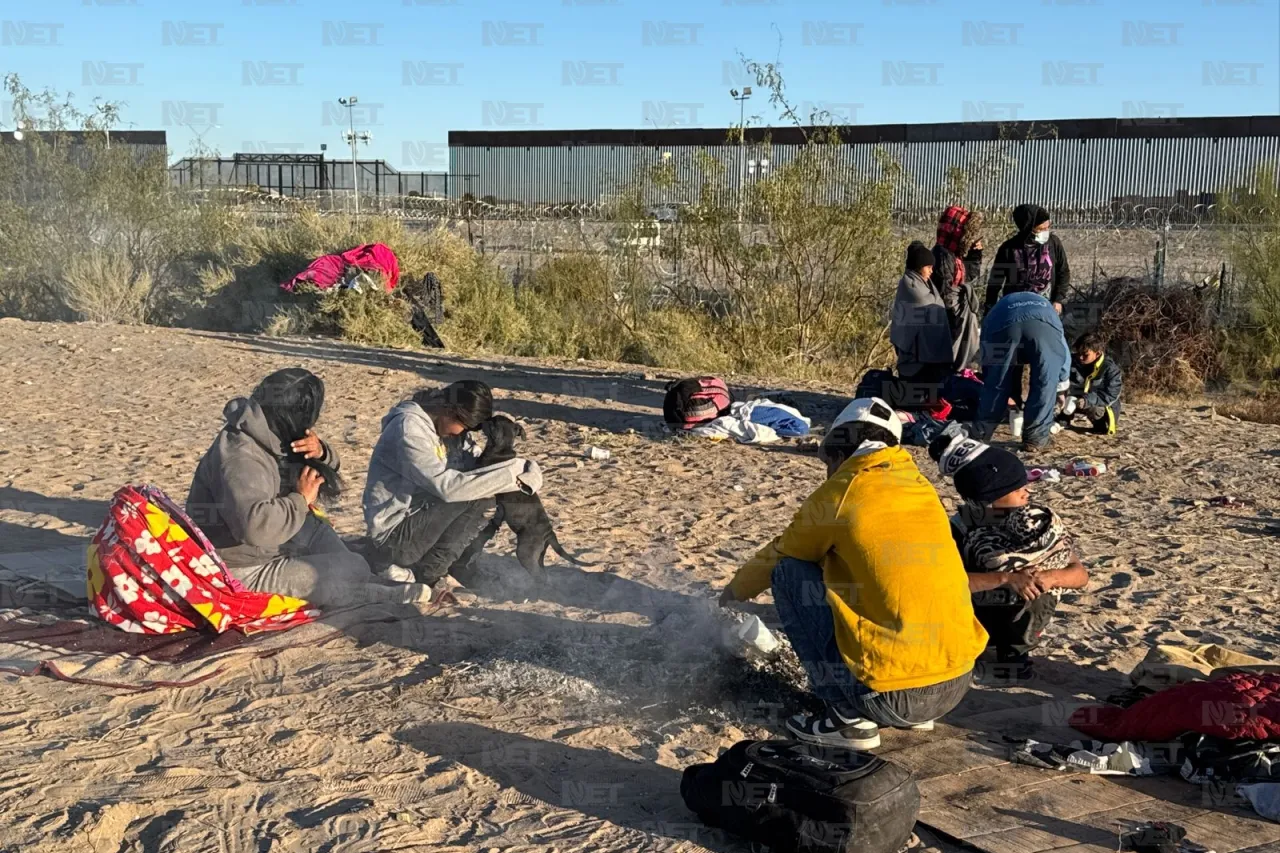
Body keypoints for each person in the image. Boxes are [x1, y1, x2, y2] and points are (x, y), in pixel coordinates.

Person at [718, 398, 988, 750]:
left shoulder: (843, 491)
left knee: (787, 573)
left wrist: (732, 593)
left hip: (890, 699)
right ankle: (911, 711)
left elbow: (780, 554)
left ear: (840, 446)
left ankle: (848, 721)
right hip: (954, 685)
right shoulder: (921, 488)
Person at [186, 368, 429, 608]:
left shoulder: (270, 428)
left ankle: (367, 586)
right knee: (346, 571)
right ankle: (373, 594)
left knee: (352, 564)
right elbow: (253, 527)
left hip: (272, 543)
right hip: (241, 568)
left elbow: (321, 472)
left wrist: (321, 452)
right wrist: (300, 500)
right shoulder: (241, 457)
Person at [931, 430, 1089, 679]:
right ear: (989, 500)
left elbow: (1080, 575)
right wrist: (1007, 578)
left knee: (1037, 589)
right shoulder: (958, 529)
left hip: (1016, 616)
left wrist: (1050, 577)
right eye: (1017, 490)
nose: (1027, 494)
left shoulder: (1035, 526)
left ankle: (1014, 649)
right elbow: (946, 584)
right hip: (970, 615)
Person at [363, 380, 543, 588]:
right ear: (447, 410)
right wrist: (513, 473)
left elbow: (477, 468)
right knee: (477, 495)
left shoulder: (448, 429)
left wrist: (522, 470)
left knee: (496, 492)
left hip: (423, 524)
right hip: (394, 537)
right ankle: (430, 573)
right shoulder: (408, 430)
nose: (462, 434)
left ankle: (460, 565)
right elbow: (447, 488)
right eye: (463, 427)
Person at [973, 291, 1071, 452]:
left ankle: (981, 434)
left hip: (1002, 323)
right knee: (1044, 381)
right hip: (1043, 324)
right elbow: (1062, 355)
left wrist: (993, 377)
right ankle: (1036, 438)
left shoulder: (996, 310)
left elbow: (989, 362)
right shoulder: (1049, 311)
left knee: (996, 381)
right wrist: (1061, 386)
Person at [888, 241, 953, 411]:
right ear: (918, 266)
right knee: (915, 400)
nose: (931, 270)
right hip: (916, 354)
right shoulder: (910, 285)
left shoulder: (923, 283)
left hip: (927, 354)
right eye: (928, 267)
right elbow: (927, 303)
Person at [984, 204, 1071, 315]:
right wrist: (990, 308)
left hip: (1046, 308)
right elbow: (995, 282)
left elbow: (1063, 272)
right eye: (1041, 229)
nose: (1046, 232)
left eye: (1048, 227)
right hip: (1016, 309)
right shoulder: (1009, 249)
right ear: (1029, 228)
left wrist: (1058, 300)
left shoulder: (1053, 243)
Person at [932, 205, 985, 372]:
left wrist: (975, 255)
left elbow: (969, 278)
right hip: (949, 321)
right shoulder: (942, 255)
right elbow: (945, 293)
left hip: (956, 318)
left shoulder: (956, 256)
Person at [1060, 332, 1123, 435]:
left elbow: (1111, 395)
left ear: (1097, 353)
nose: (1080, 357)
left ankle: (1100, 425)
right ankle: (1062, 419)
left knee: (1093, 407)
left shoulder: (1110, 369)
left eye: (1085, 355)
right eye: (1078, 353)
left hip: (1100, 406)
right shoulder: (1071, 360)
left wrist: (1087, 401)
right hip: (1076, 400)